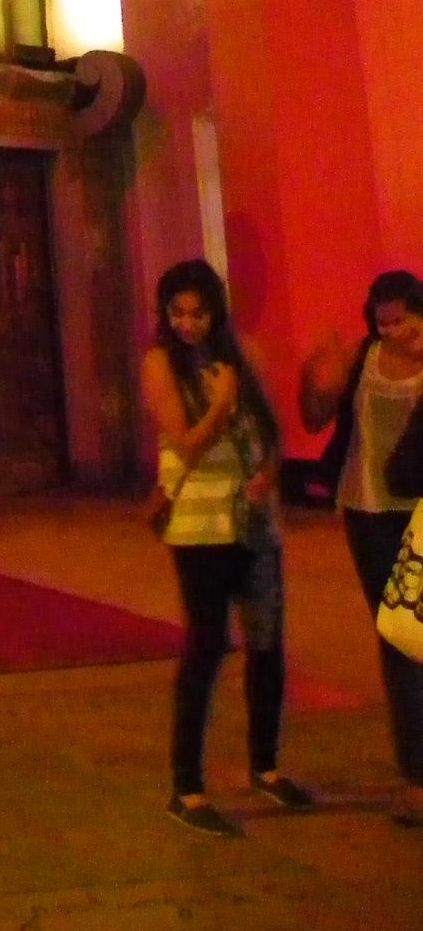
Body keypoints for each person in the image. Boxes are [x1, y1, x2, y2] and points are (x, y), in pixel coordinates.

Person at [139, 259, 310, 838]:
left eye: (199, 313)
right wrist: (220, 403)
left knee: (267, 642)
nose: (188, 324)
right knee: (207, 644)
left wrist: (268, 473)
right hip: (199, 526)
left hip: (254, 523)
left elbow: (272, 435)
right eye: (177, 313)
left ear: (217, 312)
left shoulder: (244, 355)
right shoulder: (160, 363)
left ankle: (267, 766)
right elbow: (186, 444)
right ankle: (186, 787)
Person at [300, 268, 423, 824]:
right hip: (368, 510)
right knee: (399, 637)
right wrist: (316, 378)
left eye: (404, 321)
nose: (394, 332)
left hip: (419, 511)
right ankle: (416, 774)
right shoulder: (362, 357)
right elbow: (314, 418)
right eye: (384, 323)